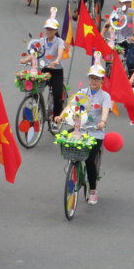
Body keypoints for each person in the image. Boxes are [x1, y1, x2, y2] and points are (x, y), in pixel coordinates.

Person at [56, 61, 111, 205]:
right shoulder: (82, 93)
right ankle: (72, 164)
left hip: (95, 132)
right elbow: (70, 106)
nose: (94, 80)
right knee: (65, 140)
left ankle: (92, 190)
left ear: (102, 81)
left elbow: (105, 111)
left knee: (89, 160)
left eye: (97, 78)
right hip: (79, 129)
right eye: (92, 78)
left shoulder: (105, 96)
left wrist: (102, 122)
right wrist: (61, 116)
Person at [21, 8, 67, 117]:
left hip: (56, 71)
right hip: (44, 70)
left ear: (56, 31)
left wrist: (56, 61)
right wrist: (25, 60)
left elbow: (60, 54)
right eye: (47, 29)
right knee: (35, 88)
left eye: (51, 29)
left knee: (57, 94)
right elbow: (34, 54)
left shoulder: (59, 42)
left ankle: (57, 117)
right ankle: (36, 106)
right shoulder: (41, 41)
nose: (48, 31)